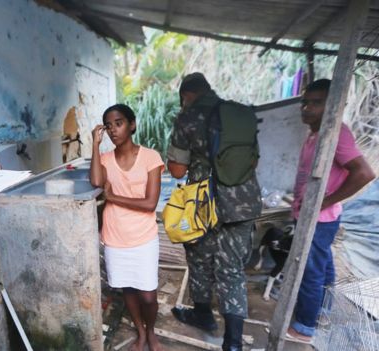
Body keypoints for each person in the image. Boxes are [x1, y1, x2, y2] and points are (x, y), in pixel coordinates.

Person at [166, 73, 262, 351]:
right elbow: (253, 159)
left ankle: (204, 315)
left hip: (205, 206)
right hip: (244, 202)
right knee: (232, 270)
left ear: (186, 95)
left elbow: (177, 170)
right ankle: (232, 343)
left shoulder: (188, 117)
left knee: (199, 260)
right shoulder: (241, 113)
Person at [286, 79, 375, 343]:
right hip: (318, 216)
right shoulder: (317, 133)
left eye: (316, 103)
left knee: (309, 271)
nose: (306, 107)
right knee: (322, 264)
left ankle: (304, 326)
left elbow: (364, 173)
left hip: (320, 218)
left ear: (333, 105)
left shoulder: (336, 134)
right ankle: (322, 307)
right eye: (305, 101)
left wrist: (326, 201)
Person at [90, 104, 165, 351]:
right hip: (115, 236)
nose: (113, 130)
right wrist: (94, 144)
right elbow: (96, 182)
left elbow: (150, 203)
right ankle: (141, 333)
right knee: (128, 289)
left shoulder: (150, 157)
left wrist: (112, 198)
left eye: (119, 123)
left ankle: (151, 331)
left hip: (143, 237)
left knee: (148, 295)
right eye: (108, 126)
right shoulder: (105, 159)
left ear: (132, 124)